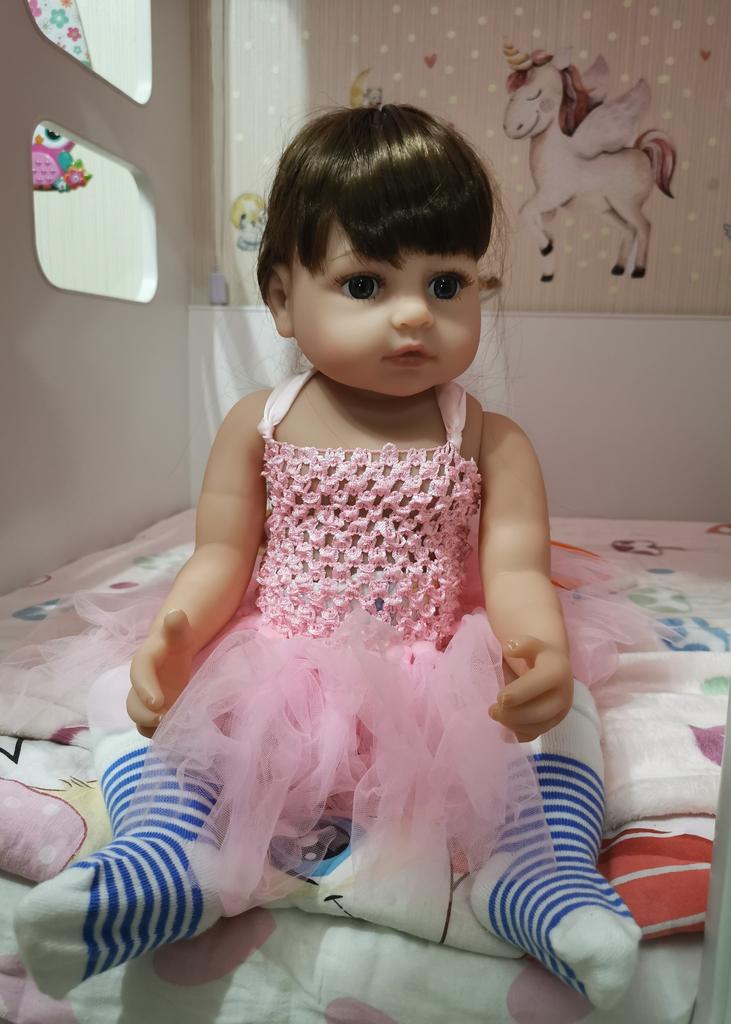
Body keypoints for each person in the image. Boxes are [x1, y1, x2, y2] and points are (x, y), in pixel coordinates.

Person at [13, 103, 658, 1008]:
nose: (414, 316)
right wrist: (179, 633)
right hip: (281, 677)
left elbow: (515, 571)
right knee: (122, 699)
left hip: (435, 682)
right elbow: (221, 553)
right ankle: (171, 857)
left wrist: (542, 655)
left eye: (447, 284)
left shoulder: (490, 439)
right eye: (365, 285)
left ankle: (534, 876)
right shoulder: (258, 423)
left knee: (572, 715)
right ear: (282, 298)